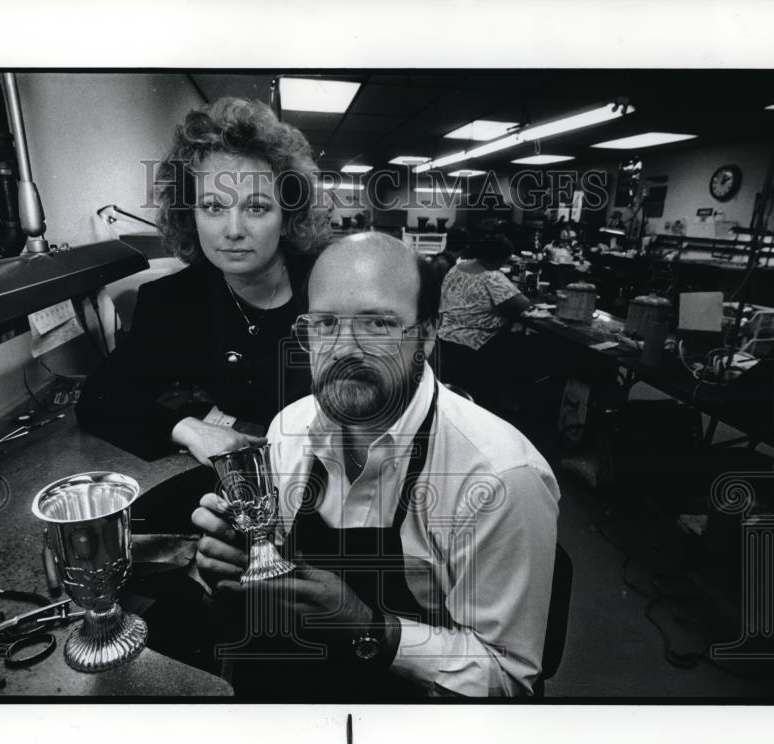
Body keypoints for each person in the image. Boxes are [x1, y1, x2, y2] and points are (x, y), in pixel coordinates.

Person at [192, 232, 559, 698]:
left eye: (378, 325)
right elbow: (276, 568)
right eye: (325, 324)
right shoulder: (290, 426)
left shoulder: (499, 475)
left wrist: (368, 625)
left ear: (426, 334)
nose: (344, 349)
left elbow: (509, 677)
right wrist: (237, 562)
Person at [76, 97, 331, 464]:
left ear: (287, 215)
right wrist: (189, 428)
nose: (233, 230)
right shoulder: (174, 301)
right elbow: (100, 399)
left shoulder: (330, 284)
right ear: (189, 214)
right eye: (213, 207)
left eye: (256, 208)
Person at [433, 232, 533, 408]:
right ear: (496, 259)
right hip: (473, 347)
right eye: (504, 261)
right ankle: (511, 403)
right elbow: (523, 305)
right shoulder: (491, 276)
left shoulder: (458, 267)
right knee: (524, 348)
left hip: (444, 339)